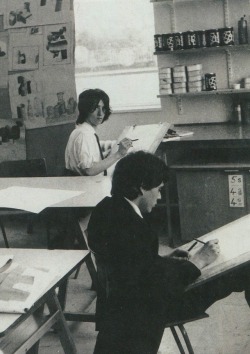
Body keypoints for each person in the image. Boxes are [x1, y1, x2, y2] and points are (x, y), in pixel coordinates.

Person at [87, 151, 250, 354]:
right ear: (142, 187)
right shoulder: (137, 229)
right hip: (147, 313)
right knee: (246, 269)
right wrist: (198, 262)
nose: (160, 196)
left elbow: (130, 265)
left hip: (119, 310)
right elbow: (153, 287)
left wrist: (162, 259)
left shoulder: (105, 209)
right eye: (159, 189)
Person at [65, 88, 132, 176]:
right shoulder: (85, 135)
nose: (101, 113)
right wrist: (118, 154)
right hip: (89, 186)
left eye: (103, 108)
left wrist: (104, 155)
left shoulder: (79, 131)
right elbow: (89, 170)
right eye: (96, 108)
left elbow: (85, 161)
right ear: (85, 109)